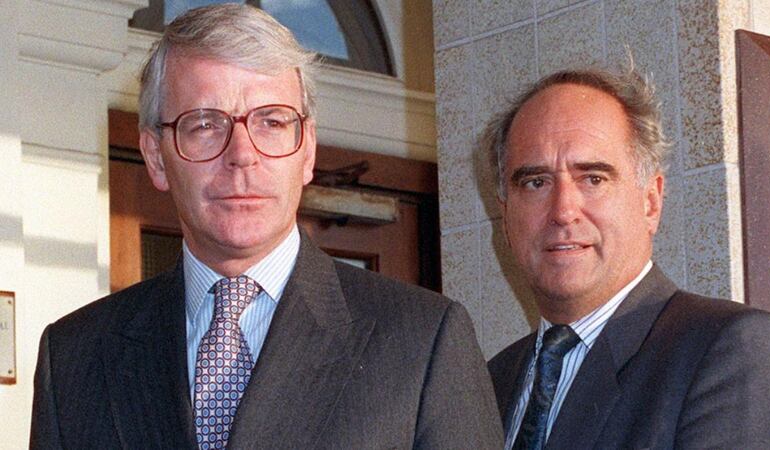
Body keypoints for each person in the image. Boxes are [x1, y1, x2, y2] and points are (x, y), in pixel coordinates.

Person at [30, 4, 502, 449]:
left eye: (272, 123)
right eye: (204, 125)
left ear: (308, 150)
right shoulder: (74, 355)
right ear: (156, 156)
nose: (242, 155)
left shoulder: (423, 341)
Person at [484, 65, 770, 449]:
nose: (563, 210)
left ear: (650, 202)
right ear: (506, 218)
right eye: (536, 182)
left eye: (593, 179)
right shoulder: (490, 383)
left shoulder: (732, 351)